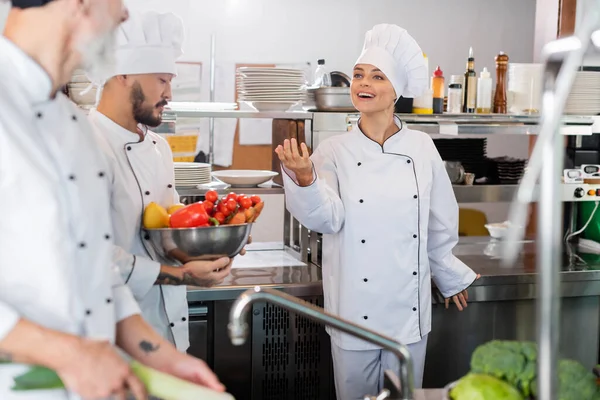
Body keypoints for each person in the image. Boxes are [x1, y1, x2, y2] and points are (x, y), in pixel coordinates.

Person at [0, 1, 225, 399]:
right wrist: (74, 356)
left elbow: (94, 266)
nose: (124, 17)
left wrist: (160, 356)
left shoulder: (71, 125)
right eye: (118, 4)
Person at [275, 24, 479, 399]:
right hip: (355, 309)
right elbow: (327, 219)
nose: (363, 83)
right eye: (358, 75)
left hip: (409, 314)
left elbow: (438, 220)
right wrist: (305, 178)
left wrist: (448, 273)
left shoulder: (421, 147)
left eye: (376, 76)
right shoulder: (334, 150)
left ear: (396, 90)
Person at [87, 10, 233, 352]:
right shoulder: (85, 145)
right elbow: (92, 255)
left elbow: (166, 229)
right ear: (122, 74)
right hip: (115, 337)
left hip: (170, 327)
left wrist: (214, 243)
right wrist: (183, 275)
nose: (169, 92)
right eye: (162, 80)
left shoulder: (159, 147)